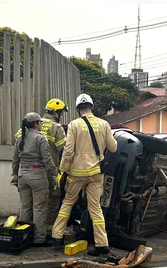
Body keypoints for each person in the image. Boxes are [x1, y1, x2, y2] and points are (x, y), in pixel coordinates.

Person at [51, 93, 118, 256]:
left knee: (67, 203)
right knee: (95, 208)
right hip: (96, 173)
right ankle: (102, 245)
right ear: (91, 107)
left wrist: (63, 169)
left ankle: (57, 237)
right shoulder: (104, 124)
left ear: (77, 109)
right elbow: (114, 147)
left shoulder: (74, 125)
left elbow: (68, 151)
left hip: (77, 173)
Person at [15, 99, 68, 227]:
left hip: (25, 171)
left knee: (28, 204)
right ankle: (47, 231)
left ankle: (26, 232)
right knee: (51, 202)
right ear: (56, 113)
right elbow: (64, 151)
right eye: (60, 113)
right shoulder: (56, 127)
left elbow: (17, 144)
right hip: (48, 171)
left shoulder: (28, 125)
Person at [12, 112, 57, 246]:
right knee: (39, 208)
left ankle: (25, 236)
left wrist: (14, 174)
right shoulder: (40, 138)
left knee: (25, 207)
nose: (42, 124)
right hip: (37, 175)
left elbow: (15, 159)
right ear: (36, 124)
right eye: (40, 122)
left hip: (22, 176)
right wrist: (53, 174)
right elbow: (47, 159)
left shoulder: (20, 138)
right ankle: (39, 239)